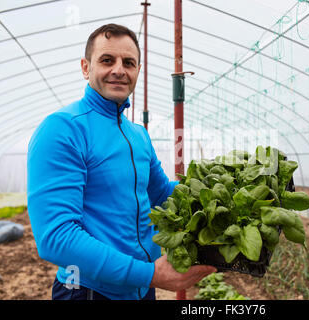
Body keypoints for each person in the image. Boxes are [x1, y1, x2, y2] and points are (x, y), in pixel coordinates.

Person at [27, 23, 216, 300]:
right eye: (107, 60)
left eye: (129, 62)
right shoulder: (62, 129)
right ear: (85, 67)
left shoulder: (137, 134)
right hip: (89, 291)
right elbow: (57, 237)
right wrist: (150, 274)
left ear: (137, 71)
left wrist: (220, 192)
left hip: (141, 289)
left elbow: (162, 194)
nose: (119, 70)